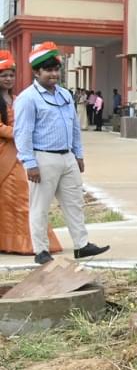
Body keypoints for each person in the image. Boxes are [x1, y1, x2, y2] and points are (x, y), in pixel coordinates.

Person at [11, 43, 110, 263]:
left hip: (67, 157)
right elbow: (22, 132)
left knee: (74, 203)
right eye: (48, 70)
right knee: (40, 207)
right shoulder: (28, 99)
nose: (54, 74)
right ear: (37, 72)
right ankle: (41, 251)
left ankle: (81, 245)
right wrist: (29, 163)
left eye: (56, 70)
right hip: (42, 157)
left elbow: (74, 127)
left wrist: (79, 154)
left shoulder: (65, 95)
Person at [0, 51, 63, 256]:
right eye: (3, 75)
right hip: (5, 154)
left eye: (11, 75)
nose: (8, 79)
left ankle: (31, 242)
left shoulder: (19, 98)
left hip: (22, 154)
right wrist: (21, 135)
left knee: (26, 198)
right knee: (13, 199)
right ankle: (17, 242)